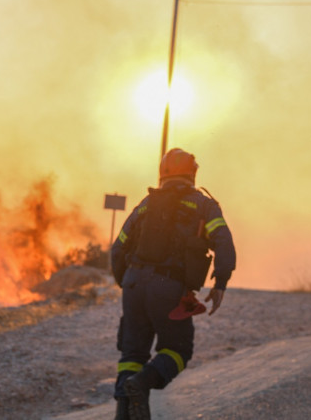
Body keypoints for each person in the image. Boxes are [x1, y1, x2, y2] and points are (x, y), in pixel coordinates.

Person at [110, 148, 236, 420]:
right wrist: (221, 282)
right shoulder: (204, 205)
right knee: (177, 349)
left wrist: (128, 284)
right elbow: (224, 243)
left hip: (133, 282)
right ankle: (142, 383)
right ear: (192, 174)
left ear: (162, 174)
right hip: (169, 286)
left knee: (132, 354)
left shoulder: (145, 204)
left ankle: (123, 414)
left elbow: (118, 248)